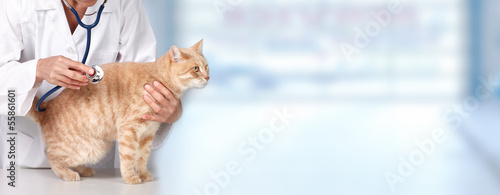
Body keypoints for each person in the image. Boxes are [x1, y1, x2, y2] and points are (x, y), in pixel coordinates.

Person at [0, 0, 182, 168]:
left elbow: (142, 83)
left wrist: (168, 111)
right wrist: (37, 70)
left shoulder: (125, 3)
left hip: (95, 163)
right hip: (28, 159)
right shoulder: (17, 3)